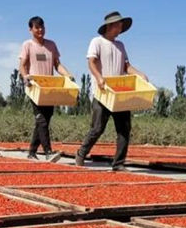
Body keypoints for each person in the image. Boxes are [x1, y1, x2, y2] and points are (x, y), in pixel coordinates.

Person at [76, 11, 150, 171]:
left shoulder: (120, 46)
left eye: (122, 25)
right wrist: (99, 78)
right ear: (110, 26)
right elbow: (91, 63)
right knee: (97, 128)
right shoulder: (97, 42)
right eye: (118, 24)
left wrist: (139, 73)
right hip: (102, 93)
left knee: (124, 129)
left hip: (120, 94)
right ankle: (81, 153)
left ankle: (118, 163)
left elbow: (126, 66)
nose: (121, 27)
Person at [18, 16, 72, 160]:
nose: (40, 30)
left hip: (49, 88)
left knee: (44, 121)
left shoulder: (51, 45)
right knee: (41, 119)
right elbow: (22, 66)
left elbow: (57, 64)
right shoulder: (27, 45)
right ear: (30, 30)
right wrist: (25, 77)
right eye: (37, 27)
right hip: (34, 87)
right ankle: (48, 152)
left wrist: (67, 74)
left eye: (42, 27)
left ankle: (31, 152)